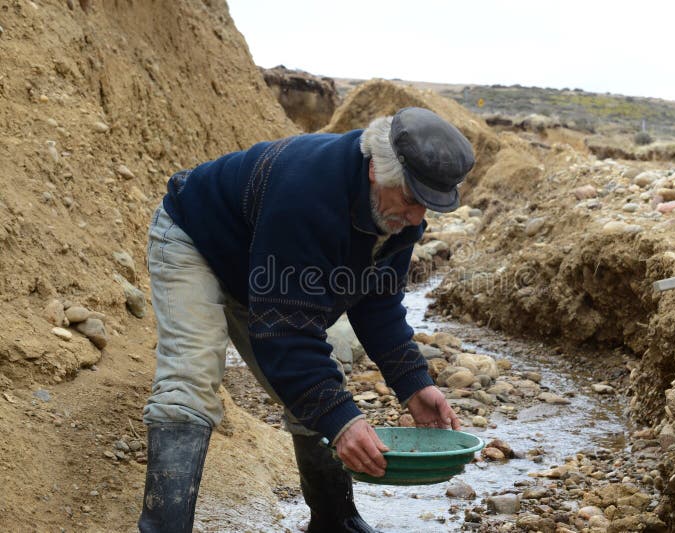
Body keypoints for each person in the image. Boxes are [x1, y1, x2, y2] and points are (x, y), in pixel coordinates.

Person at [138, 107, 475, 533]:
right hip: (196, 241)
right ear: (375, 170)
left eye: (427, 206)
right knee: (189, 381)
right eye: (411, 200)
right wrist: (342, 423)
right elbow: (284, 331)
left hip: (265, 268)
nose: (416, 219)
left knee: (321, 383)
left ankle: (335, 522)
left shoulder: (399, 217)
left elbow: (377, 302)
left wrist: (414, 383)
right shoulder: (307, 193)